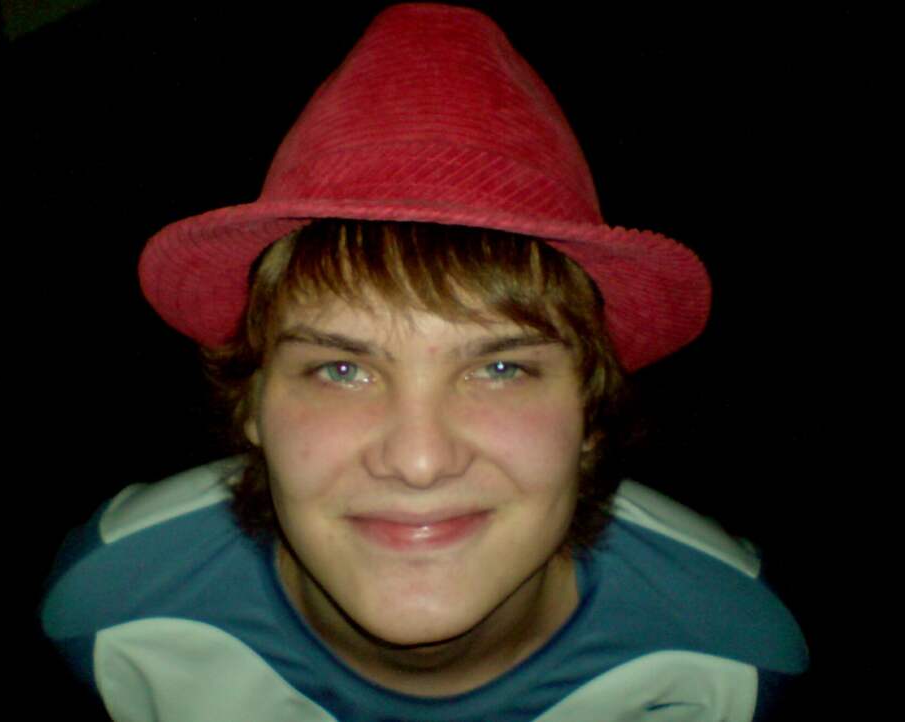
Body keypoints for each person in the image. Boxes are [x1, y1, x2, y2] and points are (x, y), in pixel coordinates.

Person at [40, 3, 808, 720]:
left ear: (590, 414)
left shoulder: (726, 659)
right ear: (252, 406)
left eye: (501, 369)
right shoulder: (114, 613)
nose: (418, 462)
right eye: (341, 370)